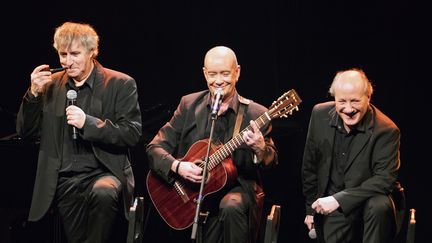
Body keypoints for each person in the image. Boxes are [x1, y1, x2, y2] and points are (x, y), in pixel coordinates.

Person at [16, 22, 142, 243]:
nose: (67, 61)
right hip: (66, 179)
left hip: (104, 172)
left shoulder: (121, 83)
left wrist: (88, 124)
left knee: (104, 192)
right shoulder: (50, 85)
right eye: (63, 54)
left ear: (93, 51)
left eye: (75, 54)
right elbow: (26, 134)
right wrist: (33, 95)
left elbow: (131, 133)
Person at [146, 46, 278, 243]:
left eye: (225, 74)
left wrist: (259, 148)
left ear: (237, 72)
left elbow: (271, 162)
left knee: (231, 206)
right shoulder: (189, 104)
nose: (218, 81)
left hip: (237, 191)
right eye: (213, 74)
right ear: (204, 73)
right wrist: (178, 166)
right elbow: (154, 149)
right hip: (190, 193)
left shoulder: (256, 113)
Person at [301, 68, 404, 243]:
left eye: (355, 101)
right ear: (334, 98)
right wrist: (311, 210)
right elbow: (310, 166)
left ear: (368, 98)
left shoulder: (386, 130)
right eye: (342, 101)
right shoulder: (319, 114)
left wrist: (339, 200)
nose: (348, 109)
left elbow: (385, 180)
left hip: (368, 202)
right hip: (334, 205)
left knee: (379, 205)